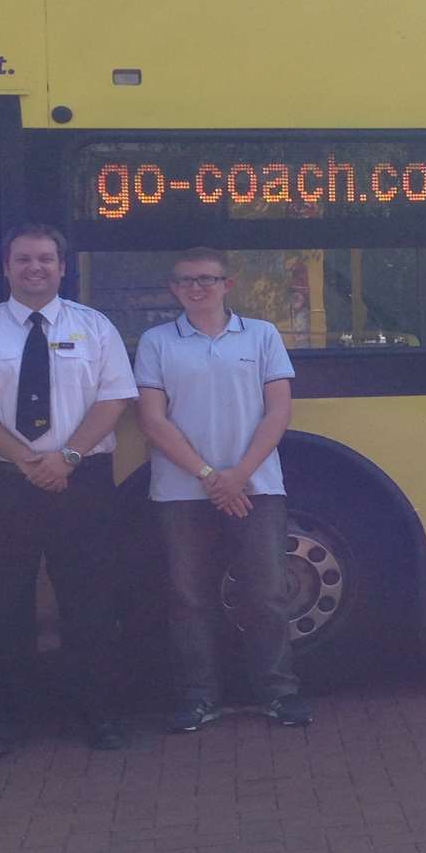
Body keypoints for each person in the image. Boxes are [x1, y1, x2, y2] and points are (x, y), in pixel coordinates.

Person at [0, 223, 138, 754]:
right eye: (24, 259)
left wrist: (66, 457)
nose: (35, 268)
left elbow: (114, 401)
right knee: (2, 604)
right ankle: (1, 720)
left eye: (46, 259)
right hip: (3, 485)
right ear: (6, 268)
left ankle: (100, 715)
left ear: (62, 267)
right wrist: (27, 460)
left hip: (83, 481)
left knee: (91, 601)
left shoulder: (95, 328)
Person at [133, 248, 312, 731]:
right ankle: (197, 697)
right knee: (188, 597)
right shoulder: (156, 342)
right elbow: (152, 419)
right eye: (187, 281)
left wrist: (239, 475)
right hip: (181, 491)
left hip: (257, 486)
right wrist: (213, 477)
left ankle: (279, 692)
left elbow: (278, 411)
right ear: (173, 289)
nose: (197, 288)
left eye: (207, 280)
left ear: (227, 285)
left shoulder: (262, 334)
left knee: (267, 593)